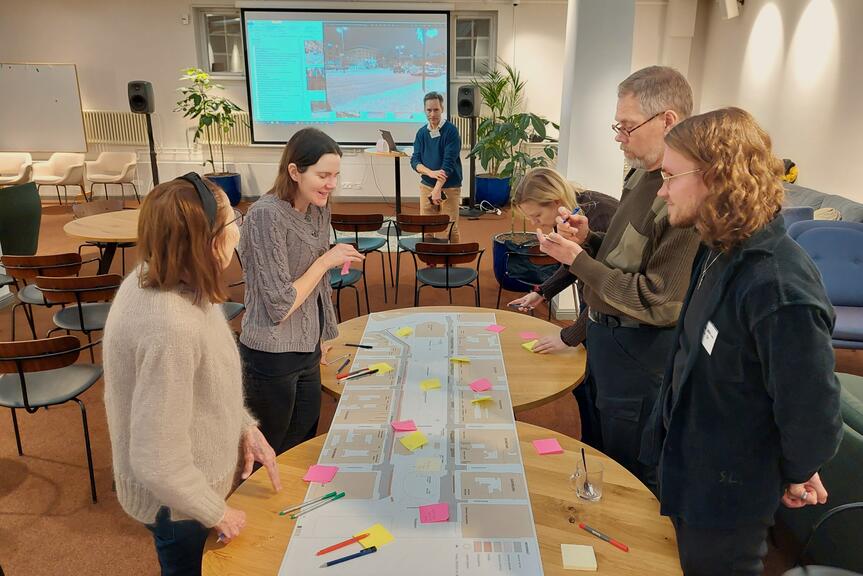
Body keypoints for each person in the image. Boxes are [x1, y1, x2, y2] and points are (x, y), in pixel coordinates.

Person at [639, 107, 843, 576]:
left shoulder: (778, 286)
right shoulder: (719, 246)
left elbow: (813, 413)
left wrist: (796, 468)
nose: (662, 190)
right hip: (690, 470)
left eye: (669, 177)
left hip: (726, 497)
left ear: (715, 177)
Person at [103, 174, 281, 576]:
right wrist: (217, 512)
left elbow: (206, 382)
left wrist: (245, 428)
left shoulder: (175, 279)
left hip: (187, 492)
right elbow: (156, 460)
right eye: (232, 220)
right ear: (208, 241)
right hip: (179, 504)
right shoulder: (170, 325)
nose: (238, 229)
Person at [532, 66, 701, 487]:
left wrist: (578, 259)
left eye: (627, 126)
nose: (618, 136)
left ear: (667, 121)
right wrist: (588, 240)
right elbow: (627, 258)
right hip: (605, 340)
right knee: (598, 452)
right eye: (618, 126)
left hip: (637, 357)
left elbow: (658, 301)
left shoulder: (683, 197)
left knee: (630, 473)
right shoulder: (642, 174)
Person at [239, 127, 363, 456]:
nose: (331, 184)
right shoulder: (265, 216)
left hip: (307, 348)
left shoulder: (318, 208)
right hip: (271, 354)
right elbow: (280, 305)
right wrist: (326, 261)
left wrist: (321, 335)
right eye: (323, 175)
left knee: (302, 445)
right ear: (294, 171)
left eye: (335, 176)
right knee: (268, 454)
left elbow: (316, 285)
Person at [410, 91, 463, 242]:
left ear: (442, 109)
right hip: (427, 185)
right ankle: (429, 257)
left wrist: (437, 189)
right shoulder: (421, 133)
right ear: (424, 110)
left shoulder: (451, 131)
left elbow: (448, 164)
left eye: (436, 110)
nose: (432, 114)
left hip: (449, 187)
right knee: (426, 229)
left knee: (450, 229)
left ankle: (453, 257)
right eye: (429, 110)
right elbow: (415, 161)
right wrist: (430, 173)